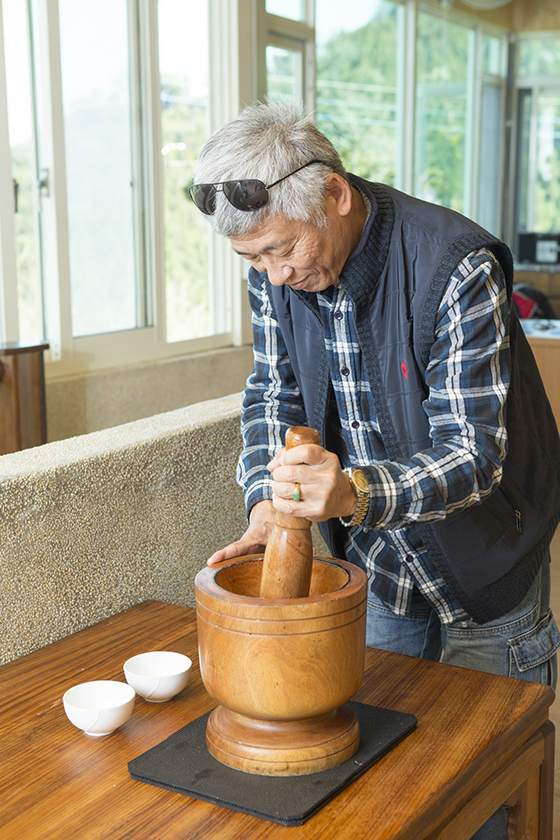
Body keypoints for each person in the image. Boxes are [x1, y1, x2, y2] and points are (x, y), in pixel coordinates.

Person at [190, 101, 560, 840]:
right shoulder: (277, 268)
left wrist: (353, 490)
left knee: (486, 799)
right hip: (380, 572)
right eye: (253, 261)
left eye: (280, 250)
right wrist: (267, 502)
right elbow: (274, 389)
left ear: (334, 195)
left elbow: (473, 454)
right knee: (389, 792)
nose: (273, 274)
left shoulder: (454, 266)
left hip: (487, 576)